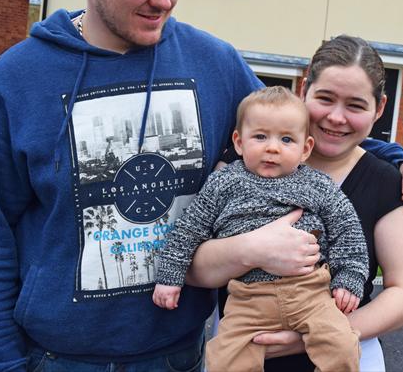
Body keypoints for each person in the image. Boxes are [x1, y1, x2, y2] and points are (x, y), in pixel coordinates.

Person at [0, 0, 403, 372]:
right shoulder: (17, 80)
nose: (164, 1)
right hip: (55, 358)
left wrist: (398, 160)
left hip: (177, 356)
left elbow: (295, 130)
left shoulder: (213, 63)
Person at [189, 35, 403, 372]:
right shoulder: (239, 165)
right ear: (305, 90)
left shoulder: (388, 182)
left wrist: (313, 335)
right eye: (326, 98)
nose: (336, 117)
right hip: (241, 350)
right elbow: (193, 266)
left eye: (355, 106)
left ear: (380, 108)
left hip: (344, 354)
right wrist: (252, 249)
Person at [153, 86, 367, 371]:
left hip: (312, 293)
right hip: (248, 298)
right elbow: (188, 230)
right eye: (260, 136)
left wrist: (350, 276)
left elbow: (348, 230)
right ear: (239, 143)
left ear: (306, 149)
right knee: (225, 359)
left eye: (287, 139)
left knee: (342, 346)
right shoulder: (223, 183)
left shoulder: (317, 185)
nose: (273, 147)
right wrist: (170, 276)